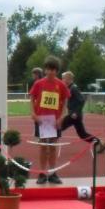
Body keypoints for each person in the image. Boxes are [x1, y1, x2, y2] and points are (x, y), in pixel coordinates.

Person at [29, 56, 70, 184]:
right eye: (48, 69)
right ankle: (42, 173)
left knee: (52, 147)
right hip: (41, 120)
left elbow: (65, 102)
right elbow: (32, 98)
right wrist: (33, 114)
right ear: (45, 70)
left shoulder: (61, 85)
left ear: (57, 71)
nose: (51, 72)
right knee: (42, 146)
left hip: (54, 121)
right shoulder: (38, 83)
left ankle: (52, 173)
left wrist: (61, 117)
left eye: (53, 70)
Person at [59, 71, 100, 147]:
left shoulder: (73, 88)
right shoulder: (69, 88)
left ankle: (49, 142)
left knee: (59, 126)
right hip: (75, 115)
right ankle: (100, 143)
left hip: (74, 115)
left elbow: (82, 100)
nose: (62, 80)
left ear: (68, 79)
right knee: (82, 134)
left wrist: (75, 112)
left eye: (63, 78)